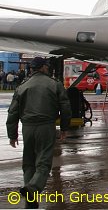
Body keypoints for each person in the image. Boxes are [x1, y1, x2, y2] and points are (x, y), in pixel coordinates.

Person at [6, 57, 71, 209]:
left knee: (28, 162)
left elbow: (13, 112)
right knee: (43, 162)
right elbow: (65, 108)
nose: (48, 68)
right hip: (45, 126)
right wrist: (64, 127)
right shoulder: (54, 84)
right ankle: (33, 188)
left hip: (27, 127)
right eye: (46, 66)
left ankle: (31, 198)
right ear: (42, 67)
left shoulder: (23, 86)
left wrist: (12, 135)